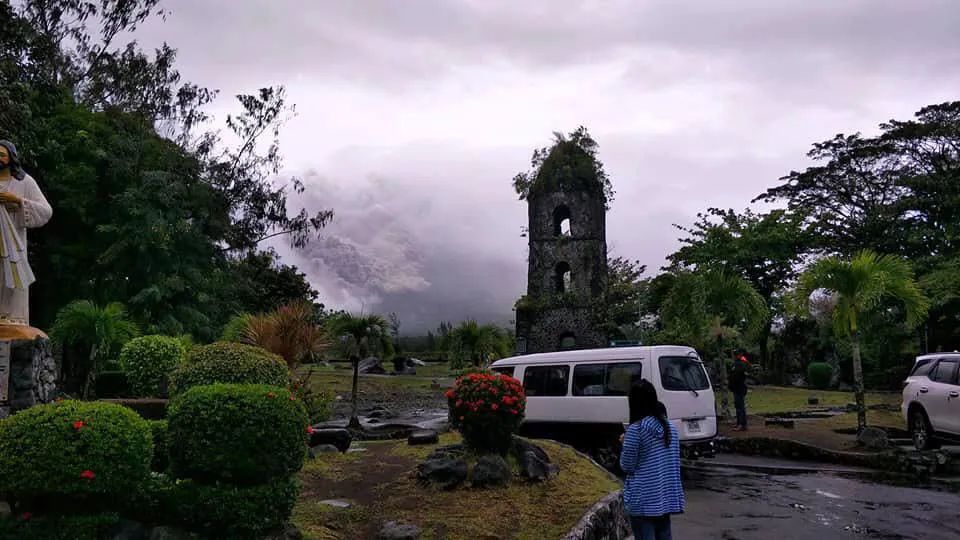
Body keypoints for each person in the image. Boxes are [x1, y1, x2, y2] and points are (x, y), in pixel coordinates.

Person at [619, 379, 684, 540]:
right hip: (665, 498)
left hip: (643, 500)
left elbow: (627, 465)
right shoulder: (670, 429)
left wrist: (624, 443)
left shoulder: (636, 430)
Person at [0, 140, 53, 327]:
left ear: (10, 157)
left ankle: (13, 318)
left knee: (12, 277)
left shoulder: (24, 182)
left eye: (1, 154)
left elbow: (46, 211)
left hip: (13, 242)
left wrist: (18, 201)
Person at [729, 354, 750, 431]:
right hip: (736, 388)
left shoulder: (740, 365)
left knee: (740, 407)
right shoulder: (736, 364)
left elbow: (738, 377)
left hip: (739, 388)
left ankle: (742, 424)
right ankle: (739, 423)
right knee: (738, 406)